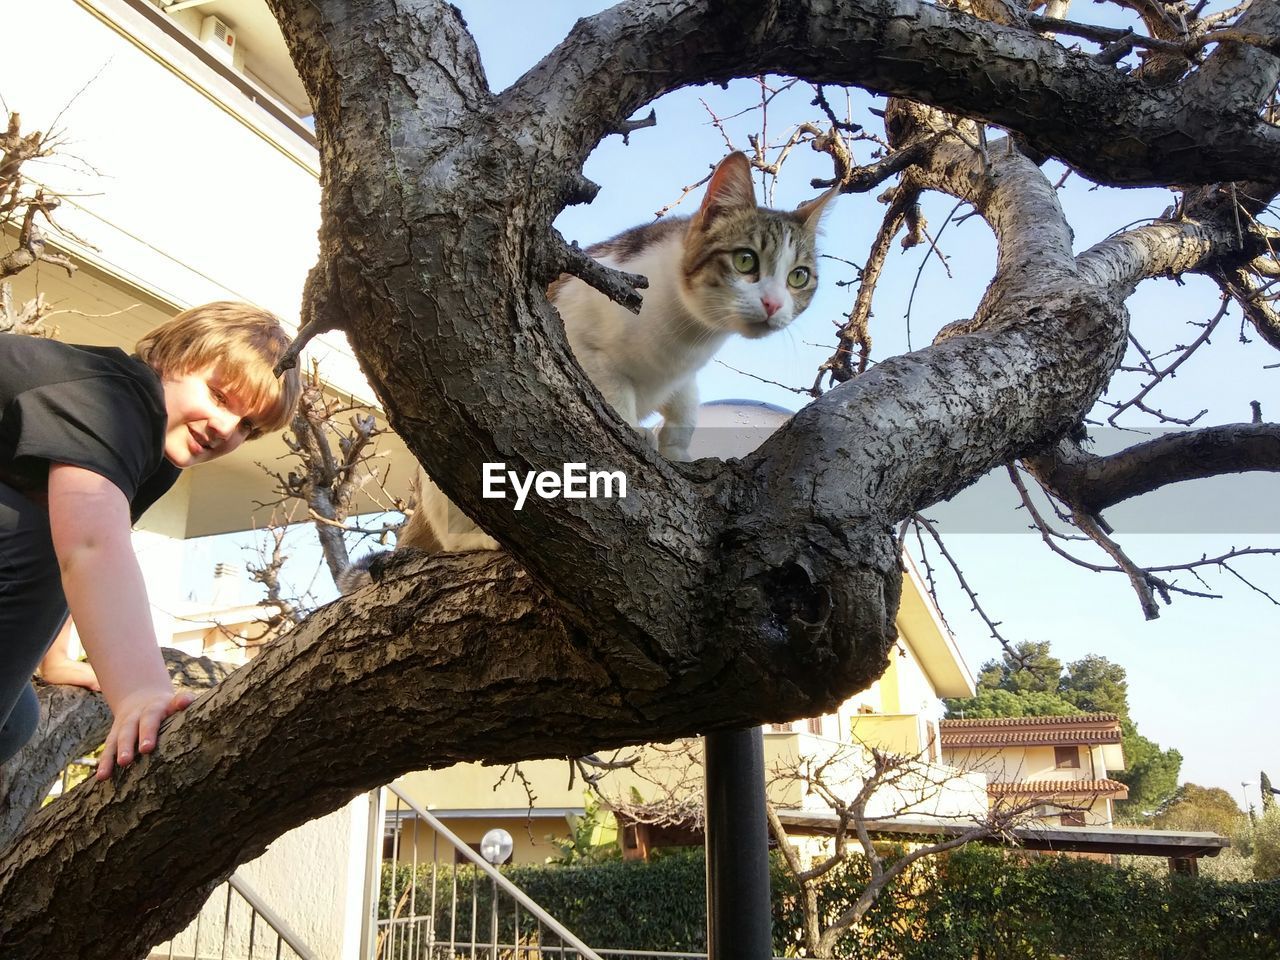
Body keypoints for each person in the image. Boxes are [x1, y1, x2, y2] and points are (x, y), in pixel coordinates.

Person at [0, 301, 301, 782]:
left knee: (15, 723)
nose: (226, 429)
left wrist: (55, 660)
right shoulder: (118, 401)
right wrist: (140, 692)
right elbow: (90, 550)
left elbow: (71, 539)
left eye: (248, 426)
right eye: (220, 397)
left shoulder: (156, 460)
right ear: (170, 359)